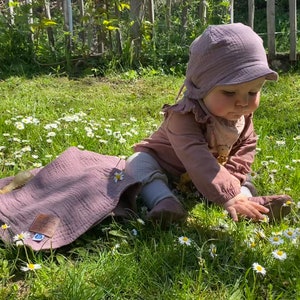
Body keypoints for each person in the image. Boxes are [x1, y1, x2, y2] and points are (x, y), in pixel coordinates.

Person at [125, 23, 291, 224]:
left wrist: (233, 183)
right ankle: (164, 201)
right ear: (202, 88)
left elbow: (244, 152)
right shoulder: (184, 117)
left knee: (244, 174)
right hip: (169, 168)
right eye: (229, 92)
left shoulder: (243, 117)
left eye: (253, 92)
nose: (243, 102)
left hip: (212, 174)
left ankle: (248, 204)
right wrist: (228, 193)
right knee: (138, 163)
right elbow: (197, 158)